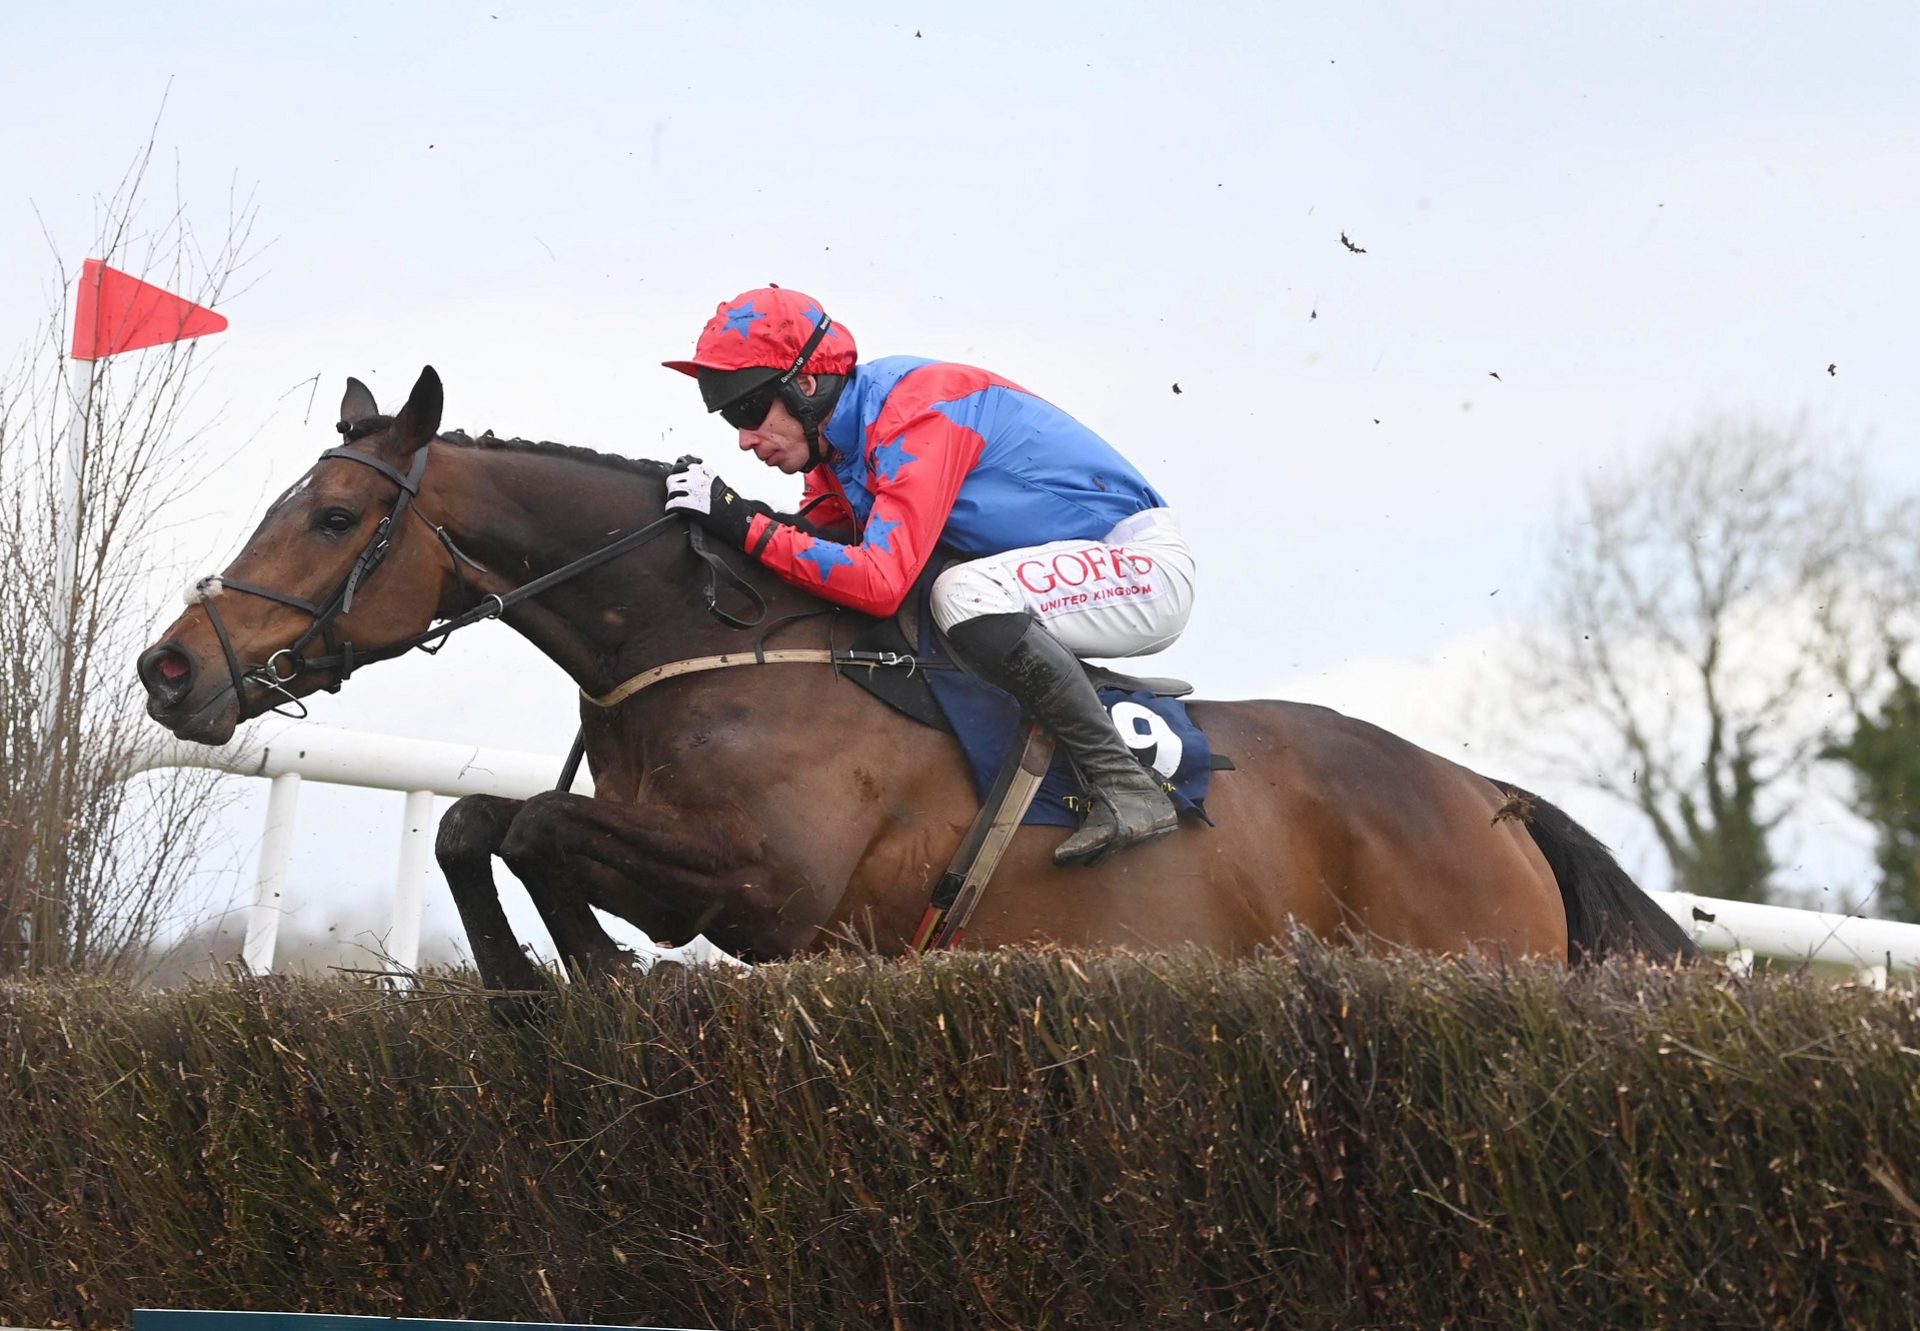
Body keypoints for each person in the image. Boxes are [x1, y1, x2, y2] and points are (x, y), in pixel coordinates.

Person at [662, 286, 1196, 865]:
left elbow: (877, 582)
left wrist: (742, 522)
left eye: (748, 412)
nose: (744, 440)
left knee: (960, 593)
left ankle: (1125, 784)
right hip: (1048, 575)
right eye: (731, 419)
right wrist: (721, 527)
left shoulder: (917, 412)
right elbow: (814, 551)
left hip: (1140, 566)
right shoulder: (836, 454)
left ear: (806, 385)